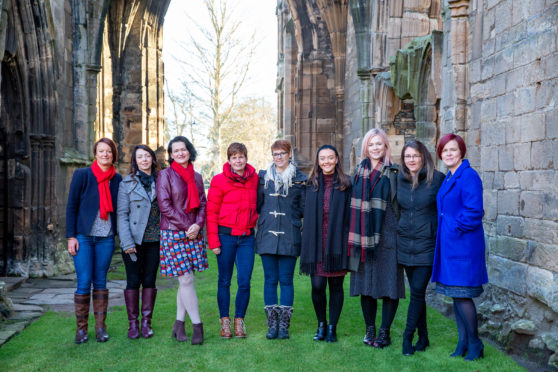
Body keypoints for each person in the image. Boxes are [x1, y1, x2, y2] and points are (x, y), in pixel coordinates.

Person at [432, 133, 488, 361]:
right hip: (450, 246)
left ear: (461, 152)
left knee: (463, 295)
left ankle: (475, 343)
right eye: (444, 151)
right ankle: (463, 341)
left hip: (463, 245)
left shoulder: (469, 176)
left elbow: (474, 211)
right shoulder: (449, 177)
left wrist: (454, 230)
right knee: (456, 295)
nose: (448, 154)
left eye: (452, 150)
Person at [348, 128, 404, 349]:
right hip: (363, 237)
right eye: (371, 144)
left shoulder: (394, 172)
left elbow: (399, 204)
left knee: (390, 284)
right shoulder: (357, 172)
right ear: (366, 147)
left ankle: (384, 332)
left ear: (385, 146)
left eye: (379, 144)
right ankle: (370, 328)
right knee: (366, 284)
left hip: (388, 235)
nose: (375, 148)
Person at [66, 137, 122, 344]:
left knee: (100, 281)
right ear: (95, 153)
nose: (105, 154)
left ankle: (100, 328)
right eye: (101, 151)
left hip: (105, 238)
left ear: (113, 154)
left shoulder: (118, 179)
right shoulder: (83, 175)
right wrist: (71, 236)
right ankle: (81, 330)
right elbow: (71, 206)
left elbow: (121, 209)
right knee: (83, 281)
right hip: (83, 237)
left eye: (108, 151)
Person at [157, 136, 208, 345]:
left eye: (183, 149)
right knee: (185, 280)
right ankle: (197, 326)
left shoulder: (196, 176)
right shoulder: (165, 175)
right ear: (171, 155)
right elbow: (165, 206)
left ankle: (178, 324)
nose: (180, 153)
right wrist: (188, 226)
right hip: (174, 232)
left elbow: (203, 204)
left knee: (185, 281)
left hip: (193, 232)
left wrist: (197, 225)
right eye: (175, 150)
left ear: (189, 151)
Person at [396, 140, 444, 355]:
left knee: (416, 291)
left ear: (423, 157)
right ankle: (424, 338)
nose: (412, 160)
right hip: (405, 242)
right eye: (408, 156)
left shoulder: (438, 180)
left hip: (427, 243)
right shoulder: (399, 179)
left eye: (415, 155)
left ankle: (407, 337)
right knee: (418, 293)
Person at [300, 144, 352, 343]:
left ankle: (332, 328)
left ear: (337, 159)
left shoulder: (346, 184)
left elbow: (350, 213)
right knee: (317, 286)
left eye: (330, 157)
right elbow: (301, 210)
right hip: (316, 243)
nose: (327, 162)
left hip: (337, 242)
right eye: (323, 158)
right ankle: (321, 323)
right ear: (318, 161)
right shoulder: (311, 184)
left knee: (336, 286)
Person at [256, 140, 307, 339]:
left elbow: (303, 208)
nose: (279, 157)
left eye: (282, 153)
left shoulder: (300, 179)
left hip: (289, 235)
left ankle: (284, 325)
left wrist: (292, 220)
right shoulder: (263, 178)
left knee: (286, 280)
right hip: (267, 234)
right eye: (275, 154)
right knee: (270, 280)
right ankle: (272, 325)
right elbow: (258, 204)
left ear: (289, 154)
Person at [207, 142, 259, 338]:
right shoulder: (219, 180)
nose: (238, 160)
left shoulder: (255, 179)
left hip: (246, 237)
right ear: (229, 160)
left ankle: (239, 322)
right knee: (225, 280)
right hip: (225, 236)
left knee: (244, 281)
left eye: (241, 156)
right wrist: (214, 242)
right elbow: (211, 212)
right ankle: (225, 322)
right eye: (234, 157)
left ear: (246, 158)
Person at [117, 145, 161, 339]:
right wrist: (127, 243)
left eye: (147, 156)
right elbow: (122, 215)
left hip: (156, 240)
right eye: (140, 157)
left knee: (150, 280)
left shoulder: (162, 181)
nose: (144, 160)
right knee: (133, 281)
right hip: (134, 241)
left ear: (152, 158)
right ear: (135, 161)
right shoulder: (126, 183)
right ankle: (133, 324)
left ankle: (146, 323)